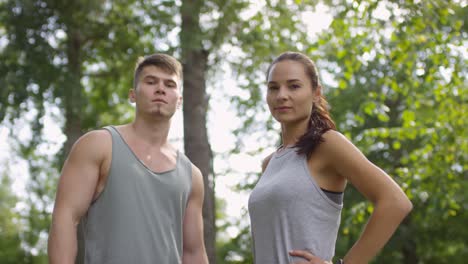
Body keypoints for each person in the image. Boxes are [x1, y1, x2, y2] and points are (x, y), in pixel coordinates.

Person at [248, 51, 413, 264]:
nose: (282, 95)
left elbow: (396, 202)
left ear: (316, 93)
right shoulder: (269, 163)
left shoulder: (327, 144)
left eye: (294, 86)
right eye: (273, 88)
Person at [48, 53, 208, 264]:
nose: (160, 88)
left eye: (169, 84)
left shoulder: (191, 175)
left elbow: (193, 252)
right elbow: (65, 219)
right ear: (133, 95)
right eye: (151, 81)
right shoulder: (99, 145)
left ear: (179, 100)